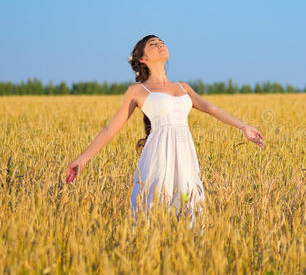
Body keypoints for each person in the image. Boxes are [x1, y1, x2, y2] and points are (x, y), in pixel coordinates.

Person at [65, 34, 265, 228]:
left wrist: (243, 126)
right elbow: (110, 129)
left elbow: (211, 109)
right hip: (158, 157)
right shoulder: (138, 91)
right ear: (143, 59)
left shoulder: (182, 86)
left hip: (185, 156)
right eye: (153, 44)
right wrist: (82, 159)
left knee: (189, 207)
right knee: (155, 211)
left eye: (161, 42)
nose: (160, 45)